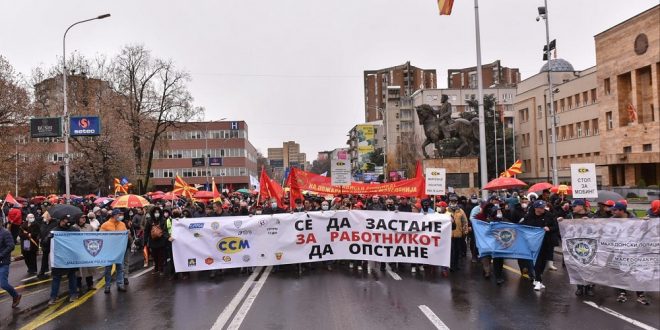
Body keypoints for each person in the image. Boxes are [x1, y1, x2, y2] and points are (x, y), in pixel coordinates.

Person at [610, 202, 649, 305]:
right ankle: (622, 292)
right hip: (619, 251)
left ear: (622, 210)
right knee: (621, 272)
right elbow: (600, 226)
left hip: (633, 250)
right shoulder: (612, 219)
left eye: (615, 210)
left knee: (635, 272)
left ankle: (640, 294)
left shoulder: (634, 220)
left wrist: (645, 222)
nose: (613, 211)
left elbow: (644, 231)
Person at [521, 200, 558, 291]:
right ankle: (538, 280)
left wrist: (549, 228)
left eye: (543, 207)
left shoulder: (549, 215)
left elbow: (556, 227)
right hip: (533, 243)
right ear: (536, 208)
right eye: (540, 208)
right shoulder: (528, 216)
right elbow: (522, 227)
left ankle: (538, 279)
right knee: (537, 261)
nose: (542, 209)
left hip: (546, 242)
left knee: (543, 262)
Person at [48, 216, 80, 304]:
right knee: (56, 278)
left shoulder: (75, 230)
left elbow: (79, 242)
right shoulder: (54, 230)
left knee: (72, 276)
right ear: (60, 221)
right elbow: (45, 243)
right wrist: (49, 237)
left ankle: (73, 294)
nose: (65, 222)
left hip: (71, 257)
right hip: (59, 258)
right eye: (64, 220)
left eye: (67, 220)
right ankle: (53, 296)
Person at [100, 209, 127, 294]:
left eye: (120, 214)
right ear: (114, 215)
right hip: (109, 250)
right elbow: (101, 236)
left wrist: (127, 233)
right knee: (108, 269)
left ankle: (120, 284)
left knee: (120, 268)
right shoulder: (105, 225)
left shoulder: (122, 224)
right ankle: (107, 286)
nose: (120, 216)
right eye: (118, 215)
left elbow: (125, 235)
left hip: (119, 250)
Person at [73, 214, 96, 292]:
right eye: (82, 217)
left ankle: (90, 284)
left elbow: (96, 235)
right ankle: (78, 286)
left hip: (88, 250)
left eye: (84, 217)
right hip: (77, 251)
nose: (84, 219)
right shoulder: (73, 228)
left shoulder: (89, 227)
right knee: (78, 270)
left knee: (89, 268)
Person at [1, 223, 21, 308]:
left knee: (4, 284)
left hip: (3, 262)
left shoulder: (5, 233)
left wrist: (1, 255)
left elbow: (11, 246)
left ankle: (16, 296)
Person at [145, 207, 168, 276]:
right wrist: (145, 241)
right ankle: (156, 268)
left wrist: (166, 238)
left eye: (158, 212)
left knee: (161, 256)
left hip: (161, 241)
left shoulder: (163, 220)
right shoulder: (149, 220)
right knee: (154, 256)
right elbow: (146, 231)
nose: (156, 214)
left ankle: (161, 269)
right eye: (155, 212)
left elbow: (165, 230)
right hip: (153, 241)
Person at [38, 211, 57, 279]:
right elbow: (40, 231)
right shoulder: (43, 223)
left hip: (52, 242)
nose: (44, 218)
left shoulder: (55, 223)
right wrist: (39, 237)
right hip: (45, 243)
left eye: (46, 216)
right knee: (44, 258)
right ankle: (42, 271)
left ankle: (54, 270)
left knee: (53, 258)